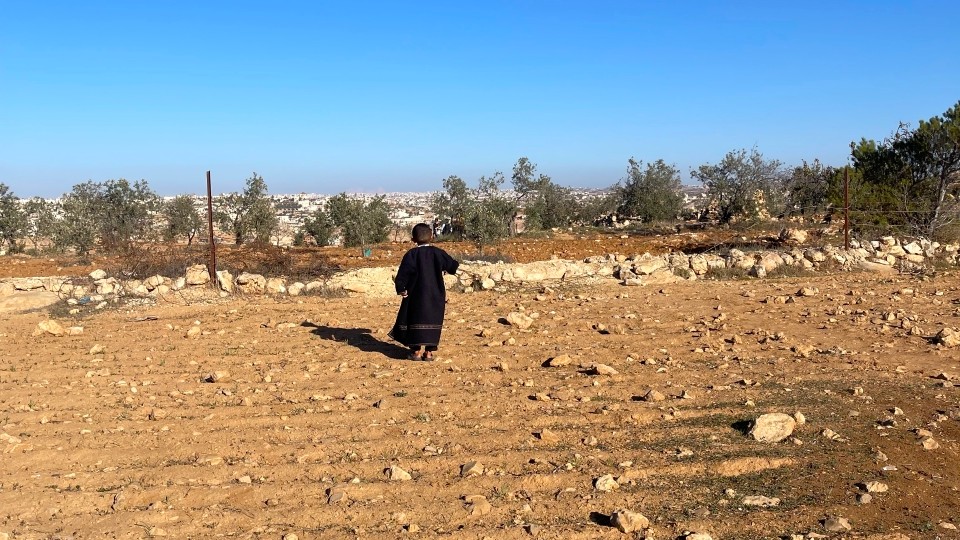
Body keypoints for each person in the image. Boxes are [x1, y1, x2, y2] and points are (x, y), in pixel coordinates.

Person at [389, 223, 459, 361]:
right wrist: (444, 268)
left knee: (414, 319)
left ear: (413, 239)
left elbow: (402, 276)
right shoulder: (438, 253)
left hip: (415, 295)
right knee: (433, 320)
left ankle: (415, 352)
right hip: (435, 295)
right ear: (432, 237)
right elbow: (453, 266)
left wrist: (401, 289)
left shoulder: (411, 255)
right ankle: (429, 353)